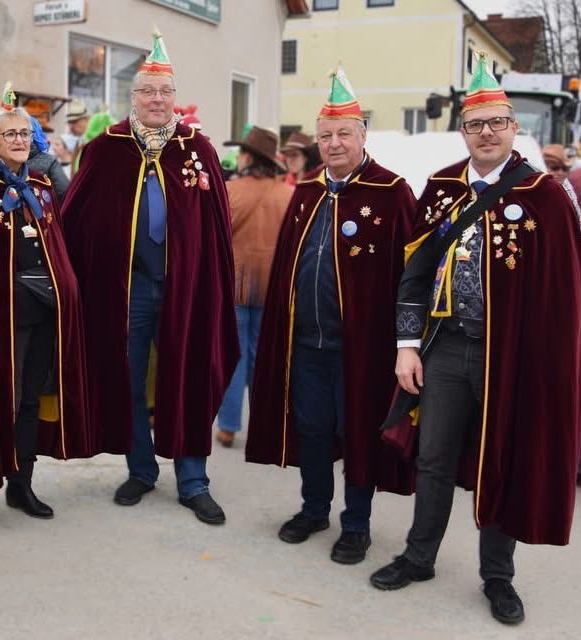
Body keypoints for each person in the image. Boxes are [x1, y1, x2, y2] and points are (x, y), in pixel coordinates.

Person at [370, 53, 581, 626]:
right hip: (444, 350)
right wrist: (407, 345)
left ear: (514, 129)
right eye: (475, 125)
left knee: (503, 459)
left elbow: (564, 293)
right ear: (462, 132)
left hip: (509, 356)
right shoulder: (439, 189)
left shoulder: (543, 196)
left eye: (497, 123)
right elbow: (413, 274)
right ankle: (419, 558)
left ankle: (498, 578)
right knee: (434, 460)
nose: (486, 134)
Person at [61, 30, 239, 525]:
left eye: (164, 93)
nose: (156, 100)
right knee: (129, 378)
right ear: (132, 99)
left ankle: (193, 479)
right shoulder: (105, 149)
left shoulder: (197, 149)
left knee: (188, 375)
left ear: (174, 100)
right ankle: (140, 469)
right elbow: (75, 217)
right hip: (127, 291)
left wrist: (214, 283)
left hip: (186, 288)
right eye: (146, 93)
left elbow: (218, 227)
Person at [246, 67, 417, 565]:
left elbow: (410, 274)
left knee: (359, 431)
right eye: (326, 136)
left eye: (344, 133)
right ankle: (314, 508)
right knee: (313, 430)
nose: (334, 143)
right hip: (306, 345)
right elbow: (288, 269)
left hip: (361, 346)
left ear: (363, 135)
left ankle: (356, 524)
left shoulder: (391, 192)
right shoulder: (306, 193)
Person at [0, 96, 93, 528]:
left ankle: (21, 484)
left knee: (30, 400)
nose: (19, 139)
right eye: (9, 133)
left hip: (42, 313)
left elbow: (58, 246)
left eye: (24, 133)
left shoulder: (42, 188)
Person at [215, 126, 293, 448]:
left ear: (248, 157)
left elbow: (215, 238)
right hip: (273, 286)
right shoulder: (289, 194)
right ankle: (266, 425)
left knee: (232, 357)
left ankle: (229, 427)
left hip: (235, 284)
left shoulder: (229, 190)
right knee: (264, 359)